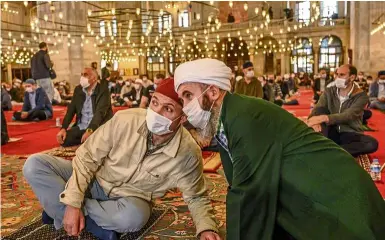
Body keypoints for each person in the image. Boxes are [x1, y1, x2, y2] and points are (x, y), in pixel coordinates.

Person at [173, 58, 385, 240]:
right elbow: (239, 179)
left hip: (334, 188)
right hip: (313, 176)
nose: (184, 105)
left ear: (212, 91)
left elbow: (249, 190)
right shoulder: (229, 114)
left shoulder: (242, 116)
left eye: (188, 95)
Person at [23, 78, 220, 240]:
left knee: (134, 218)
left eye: (168, 109)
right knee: (35, 164)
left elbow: (196, 196)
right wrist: (73, 203)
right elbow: (86, 157)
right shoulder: (125, 119)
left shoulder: (186, 152)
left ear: (183, 118)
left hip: (130, 199)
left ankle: (58, 207)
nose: (157, 113)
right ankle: (88, 220)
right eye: (155, 103)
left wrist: (206, 228)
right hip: (96, 181)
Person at [308, 64, 378, 157]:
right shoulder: (329, 91)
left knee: (372, 144)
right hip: (330, 130)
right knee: (320, 110)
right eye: (336, 74)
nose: (337, 77)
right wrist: (315, 121)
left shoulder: (361, 95)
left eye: (341, 75)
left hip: (350, 132)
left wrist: (325, 118)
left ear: (352, 77)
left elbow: (349, 115)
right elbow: (317, 109)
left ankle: (329, 150)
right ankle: (335, 150)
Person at [56, 68, 113, 147]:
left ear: (94, 78)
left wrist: (90, 130)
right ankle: (87, 142)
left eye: (85, 75)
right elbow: (71, 110)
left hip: (98, 126)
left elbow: (100, 113)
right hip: (82, 125)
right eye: (82, 75)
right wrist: (63, 128)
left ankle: (91, 141)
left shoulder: (103, 90)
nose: (82, 77)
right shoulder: (78, 90)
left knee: (97, 143)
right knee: (65, 140)